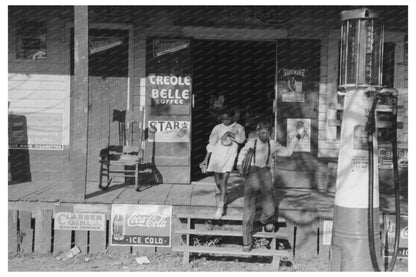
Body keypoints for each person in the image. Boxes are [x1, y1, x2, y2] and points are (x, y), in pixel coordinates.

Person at [236, 119, 304, 252]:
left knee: (270, 210)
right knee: (248, 210)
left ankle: (263, 220)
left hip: (265, 174)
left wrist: (297, 136)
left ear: (271, 133)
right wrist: (239, 165)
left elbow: (288, 152)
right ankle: (247, 242)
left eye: (267, 133)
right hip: (252, 174)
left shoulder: (273, 144)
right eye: (262, 133)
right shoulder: (251, 142)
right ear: (257, 132)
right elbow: (242, 154)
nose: (264, 135)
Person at [200, 109, 246, 219]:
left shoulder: (239, 127)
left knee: (224, 180)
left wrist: (231, 133)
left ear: (233, 117)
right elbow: (212, 143)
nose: (225, 121)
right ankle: (224, 195)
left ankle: (220, 208)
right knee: (217, 181)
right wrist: (206, 159)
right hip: (217, 155)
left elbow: (241, 140)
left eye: (227, 119)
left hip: (230, 155)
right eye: (223, 119)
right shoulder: (217, 128)